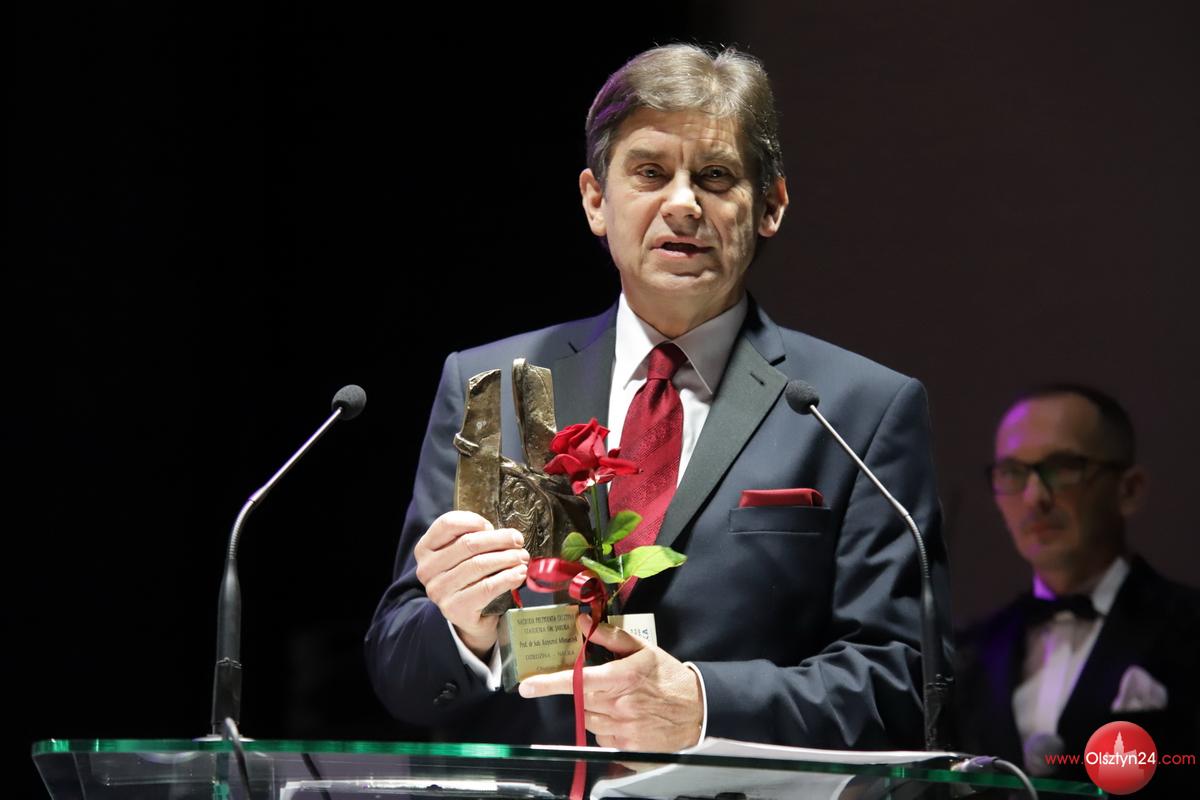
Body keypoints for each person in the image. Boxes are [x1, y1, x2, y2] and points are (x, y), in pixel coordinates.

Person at [366, 43, 950, 752]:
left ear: (770, 206)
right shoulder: (491, 385)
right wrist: (461, 629)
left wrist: (703, 707)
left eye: (715, 176)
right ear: (595, 201)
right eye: (649, 173)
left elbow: (905, 682)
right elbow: (400, 674)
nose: (682, 204)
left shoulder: (857, 409)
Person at [956, 385, 1200, 793]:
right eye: (1012, 472)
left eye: (1063, 466)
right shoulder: (969, 653)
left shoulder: (1189, 627)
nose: (1035, 497)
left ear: (1128, 489)